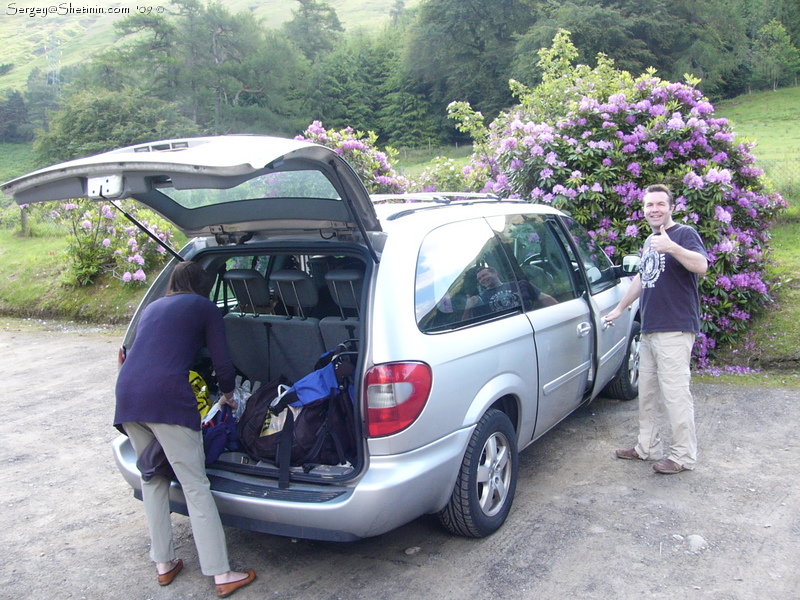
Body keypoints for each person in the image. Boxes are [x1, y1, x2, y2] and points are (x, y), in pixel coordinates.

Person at [115, 261, 257, 597]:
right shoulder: (204, 307)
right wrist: (227, 396)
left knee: (153, 477)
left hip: (128, 396)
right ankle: (221, 574)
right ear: (202, 285)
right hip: (166, 398)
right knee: (195, 484)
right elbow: (222, 360)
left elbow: (135, 352)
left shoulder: (152, 307)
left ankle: (163, 564)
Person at [604, 184, 708, 475]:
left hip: (675, 328)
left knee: (675, 394)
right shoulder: (650, 240)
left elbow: (702, 265)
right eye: (649, 205)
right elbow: (642, 277)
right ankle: (647, 447)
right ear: (644, 209)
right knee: (647, 392)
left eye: (660, 204)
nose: (654, 209)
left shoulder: (684, 234)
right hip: (649, 328)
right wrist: (620, 307)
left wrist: (672, 247)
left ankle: (683, 456)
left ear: (671, 207)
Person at [463, 265, 557, 319]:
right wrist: (468, 307)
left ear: (494, 273)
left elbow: (544, 299)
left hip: (528, 323)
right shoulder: (480, 300)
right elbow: (466, 323)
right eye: (479, 279)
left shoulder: (519, 285)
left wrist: (562, 311)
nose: (482, 279)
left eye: (484, 275)